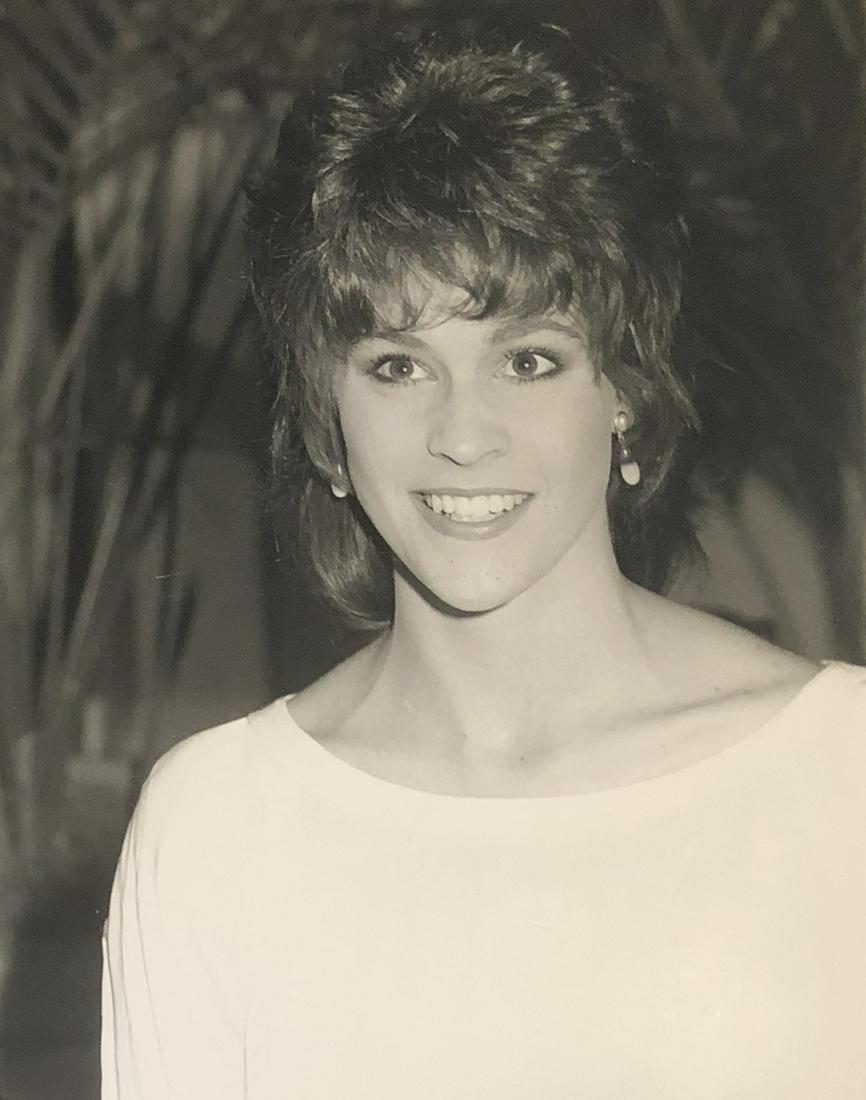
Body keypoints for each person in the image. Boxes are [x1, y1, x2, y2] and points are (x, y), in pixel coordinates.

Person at [101, 26, 866, 1099]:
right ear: (326, 420)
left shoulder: (841, 774)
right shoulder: (218, 825)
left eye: (527, 358)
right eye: (398, 363)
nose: (463, 432)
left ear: (626, 392)